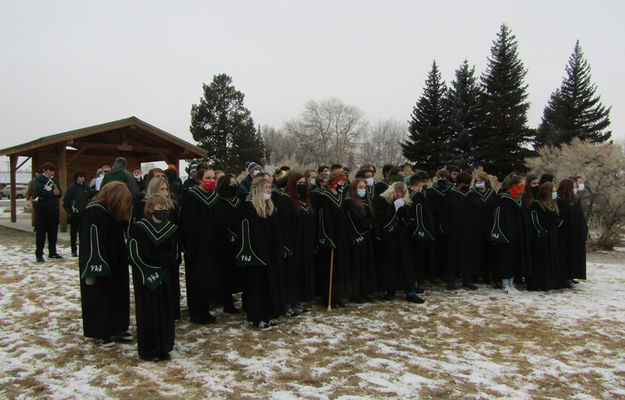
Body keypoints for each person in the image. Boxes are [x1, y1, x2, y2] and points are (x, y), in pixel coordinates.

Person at [78, 181, 132, 347]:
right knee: (100, 296)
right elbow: (93, 242)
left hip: (117, 262)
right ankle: (101, 331)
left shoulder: (113, 213)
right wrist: (97, 265)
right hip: (101, 263)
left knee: (119, 295)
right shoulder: (94, 212)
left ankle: (118, 327)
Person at [128, 195, 178, 361]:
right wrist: (156, 264)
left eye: (165, 206)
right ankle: (148, 350)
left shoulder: (170, 228)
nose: (163, 210)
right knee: (148, 313)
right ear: (150, 209)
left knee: (165, 313)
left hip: (165, 276)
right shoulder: (140, 228)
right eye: (159, 206)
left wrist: (163, 261)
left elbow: (173, 253)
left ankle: (164, 347)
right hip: (146, 277)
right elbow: (139, 254)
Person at [236, 177, 286, 330]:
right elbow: (251, 234)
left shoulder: (269, 207)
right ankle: (257, 317)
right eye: (265, 188)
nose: (268, 191)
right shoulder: (249, 206)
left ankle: (267, 314)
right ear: (257, 189)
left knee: (268, 285)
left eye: (269, 187)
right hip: (257, 255)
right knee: (256, 286)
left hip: (270, 253)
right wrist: (260, 253)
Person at [180, 165, 221, 324]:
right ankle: (196, 312)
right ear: (199, 180)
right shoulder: (191, 197)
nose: (211, 181)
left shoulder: (214, 197)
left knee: (208, 280)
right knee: (197, 280)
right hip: (197, 248)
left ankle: (205, 310)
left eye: (213, 178)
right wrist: (190, 248)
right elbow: (188, 224)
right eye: (208, 178)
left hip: (212, 247)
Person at [375, 182, 424, 303]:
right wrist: (393, 208)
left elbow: (409, 221)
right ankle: (389, 291)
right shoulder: (382, 200)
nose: (398, 196)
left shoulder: (405, 202)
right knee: (389, 263)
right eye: (396, 193)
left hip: (402, 237)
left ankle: (410, 291)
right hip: (389, 237)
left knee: (406, 263)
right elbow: (381, 219)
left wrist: (403, 209)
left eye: (401, 194)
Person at [489, 174, 532, 294]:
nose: (523, 188)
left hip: (517, 235)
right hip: (506, 235)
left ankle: (512, 283)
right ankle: (505, 283)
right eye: (521, 185)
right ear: (514, 185)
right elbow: (499, 218)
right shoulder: (504, 199)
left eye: (524, 185)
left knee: (514, 260)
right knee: (505, 260)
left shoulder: (520, 200)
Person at [316, 171, 351, 308]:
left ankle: (338, 295)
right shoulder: (324, 197)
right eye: (342, 182)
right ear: (334, 182)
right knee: (330, 269)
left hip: (341, 237)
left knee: (340, 268)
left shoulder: (341, 196)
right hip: (331, 238)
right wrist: (327, 237)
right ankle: (328, 296)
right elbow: (323, 219)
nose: (343, 185)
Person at [283, 173, 316, 310]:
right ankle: (287, 302)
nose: (302, 185)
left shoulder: (304, 200)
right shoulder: (285, 200)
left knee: (301, 274)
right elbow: (284, 224)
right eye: (299, 183)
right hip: (293, 244)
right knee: (291, 274)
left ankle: (297, 300)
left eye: (304, 183)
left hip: (305, 243)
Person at [214, 174, 245, 314]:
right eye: (231, 184)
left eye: (235, 183)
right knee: (227, 273)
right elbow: (221, 223)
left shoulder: (239, 200)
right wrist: (231, 236)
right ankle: (227, 302)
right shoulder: (219, 202)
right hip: (226, 243)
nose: (234, 186)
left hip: (239, 241)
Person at [527, 182, 565, 291]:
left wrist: (558, 223)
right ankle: (539, 283)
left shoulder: (554, 205)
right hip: (542, 237)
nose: (555, 193)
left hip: (552, 237)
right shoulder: (537, 205)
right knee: (541, 261)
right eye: (553, 191)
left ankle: (553, 282)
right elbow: (536, 220)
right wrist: (546, 228)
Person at [344, 178, 377, 302]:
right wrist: (368, 225)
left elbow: (373, 217)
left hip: (367, 237)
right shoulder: (350, 202)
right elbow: (356, 219)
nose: (363, 190)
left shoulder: (367, 201)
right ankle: (355, 293)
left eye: (364, 187)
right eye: (360, 187)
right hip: (357, 237)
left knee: (366, 265)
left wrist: (371, 224)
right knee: (357, 266)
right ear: (354, 189)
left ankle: (365, 291)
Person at [557, 178, 588, 284]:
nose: (575, 189)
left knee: (576, 255)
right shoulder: (560, 201)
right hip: (566, 233)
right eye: (573, 187)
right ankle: (565, 276)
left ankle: (573, 274)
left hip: (576, 232)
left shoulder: (576, 200)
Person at [408, 171, 436, 285]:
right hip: (420, 232)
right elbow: (421, 215)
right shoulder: (418, 195)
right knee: (418, 261)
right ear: (419, 184)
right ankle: (417, 282)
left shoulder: (408, 193)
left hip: (410, 231)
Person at [32, 162, 63, 262]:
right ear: (45, 170)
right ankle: (39, 254)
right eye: (50, 170)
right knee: (41, 233)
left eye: (53, 170)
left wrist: (58, 193)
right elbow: (38, 192)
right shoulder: (39, 180)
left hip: (53, 210)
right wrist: (51, 193)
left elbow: (59, 192)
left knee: (53, 233)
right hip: (42, 210)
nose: (52, 172)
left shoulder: (54, 180)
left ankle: (52, 252)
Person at [426, 169, 453, 280]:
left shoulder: (451, 190)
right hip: (436, 222)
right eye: (439, 177)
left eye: (443, 177)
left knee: (447, 249)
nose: (441, 180)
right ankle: (437, 272)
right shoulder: (432, 191)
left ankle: (445, 272)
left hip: (448, 222)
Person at [472, 172, 497, 283]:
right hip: (476, 226)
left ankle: (486, 274)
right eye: (477, 181)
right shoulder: (472, 193)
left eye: (481, 181)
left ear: (486, 181)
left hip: (489, 225)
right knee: (476, 251)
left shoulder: (492, 193)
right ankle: (475, 274)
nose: (479, 183)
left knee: (488, 251)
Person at [63, 170, 90, 257]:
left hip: (84, 213)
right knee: (73, 232)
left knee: (83, 233)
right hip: (75, 213)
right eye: (80, 177)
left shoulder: (86, 187)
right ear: (76, 178)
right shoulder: (71, 188)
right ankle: (74, 250)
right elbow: (66, 201)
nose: (82, 178)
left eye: (83, 177)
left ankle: (84, 249)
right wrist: (70, 211)